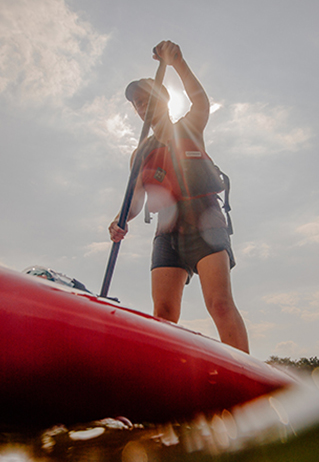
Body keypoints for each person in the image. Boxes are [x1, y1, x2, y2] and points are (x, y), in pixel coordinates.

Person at [109, 40, 249, 353]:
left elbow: (201, 102)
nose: (142, 107)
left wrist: (177, 63)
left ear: (164, 101)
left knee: (220, 304)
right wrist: (120, 221)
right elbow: (135, 200)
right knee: (163, 315)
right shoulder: (139, 154)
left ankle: (246, 389)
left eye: (148, 100)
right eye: (138, 104)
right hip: (166, 231)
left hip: (205, 219)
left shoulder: (189, 127)